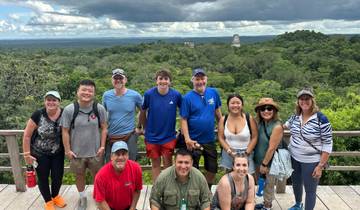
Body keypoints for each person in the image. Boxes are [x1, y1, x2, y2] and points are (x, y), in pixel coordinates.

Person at [61, 80, 107, 210]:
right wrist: (67, 150)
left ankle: (99, 198)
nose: (87, 93)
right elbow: (64, 131)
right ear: (78, 92)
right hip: (77, 152)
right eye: (84, 90)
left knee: (98, 176)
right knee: (79, 176)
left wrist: (102, 146)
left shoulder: (99, 108)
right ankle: (82, 197)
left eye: (90, 91)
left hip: (95, 151)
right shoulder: (70, 109)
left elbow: (104, 128)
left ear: (94, 93)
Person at [284, 88, 333, 210]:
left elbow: (327, 143)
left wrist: (320, 166)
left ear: (312, 101)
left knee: (310, 190)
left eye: (307, 99)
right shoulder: (295, 117)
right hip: (294, 156)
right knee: (296, 183)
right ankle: (298, 204)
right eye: (301, 99)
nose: (304, 101)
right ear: (298, 101)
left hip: (312, 160)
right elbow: (282, 127)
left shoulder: (321, 119)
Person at [22, 91, 66, 210]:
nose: (51, 102)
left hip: (58, 152)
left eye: (54, 100)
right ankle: (48, 201)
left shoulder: (64, 113)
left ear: (59, 102)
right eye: (48, 99)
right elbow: (27, 135)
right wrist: (26, 154)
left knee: (58, 176)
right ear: (45, 101)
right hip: (39, 153)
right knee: (43, 177)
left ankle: (55, 195)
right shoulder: (38, 114)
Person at [180, 68, 222, 189]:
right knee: (192, 169)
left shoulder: (213, 93)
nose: (200, 81)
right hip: (193, 141)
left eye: (202, 78)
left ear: (206, 79)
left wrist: (223, 130)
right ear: (192, 80)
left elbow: (218, 113)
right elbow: (184, 119)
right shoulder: (187, 98)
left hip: (209, 139)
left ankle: (206, 190)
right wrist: (187, 139)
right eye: (197, 79)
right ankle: (194, 192)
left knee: (212, 168)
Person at [139, 69, 182, 182]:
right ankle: (157, 189)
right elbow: (143, 111)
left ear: (170, 81)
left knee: (168, 164)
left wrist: (181, 129)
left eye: (166, 79)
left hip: (168, 136)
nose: (163, 81)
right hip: (152, 136)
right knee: (155, 164)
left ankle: (168, 188)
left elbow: (184, 112)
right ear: (156, 81)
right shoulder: (149, 94)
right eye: (160, 78)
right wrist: (143, 128)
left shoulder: (176, 95)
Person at [102, 68, 143, 161]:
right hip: (111, 136)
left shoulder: (134, 95)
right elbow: (103, 115)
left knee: (130, 162)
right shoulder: (106, 95)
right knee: (109, 163)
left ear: (125, 80)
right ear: (112, 80)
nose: (118, 81)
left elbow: (144, 110)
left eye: (120, 78)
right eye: (115, 78)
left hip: (129, 135)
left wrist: (140, 126)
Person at [253, 98, 284, 210]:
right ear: (259, 111)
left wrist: (265, 164)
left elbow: (271, 148)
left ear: (274, 110)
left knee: (269, 185)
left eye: (269, 108)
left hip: (269, 163)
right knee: (261, 183)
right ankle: (265, 203)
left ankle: (267, 206)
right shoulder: (260, 123)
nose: (266, 111)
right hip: (257, 160)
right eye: (263, 109)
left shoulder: (277, 126)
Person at [93, 141, 142, 210]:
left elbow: (137, 190)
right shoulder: (101, 175)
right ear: (111, 157)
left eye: (123, 154)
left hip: (128, 207)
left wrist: (132, 208)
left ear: (128, 156)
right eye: (117, 154)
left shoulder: (136, 168)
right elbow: (100, 200)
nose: (120, 157)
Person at [218, 94, 258, 174]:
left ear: (242, 105)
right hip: (228, 153)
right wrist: (229, 151)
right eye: (232, 103)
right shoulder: (223, 119)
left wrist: (246, 153)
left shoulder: (248, 118)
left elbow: (255, 137)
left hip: (247, 152)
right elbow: (221, 137)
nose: (235, 105)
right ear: (228, 105)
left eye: (238, 103)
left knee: (248, 177)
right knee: (230, 179)